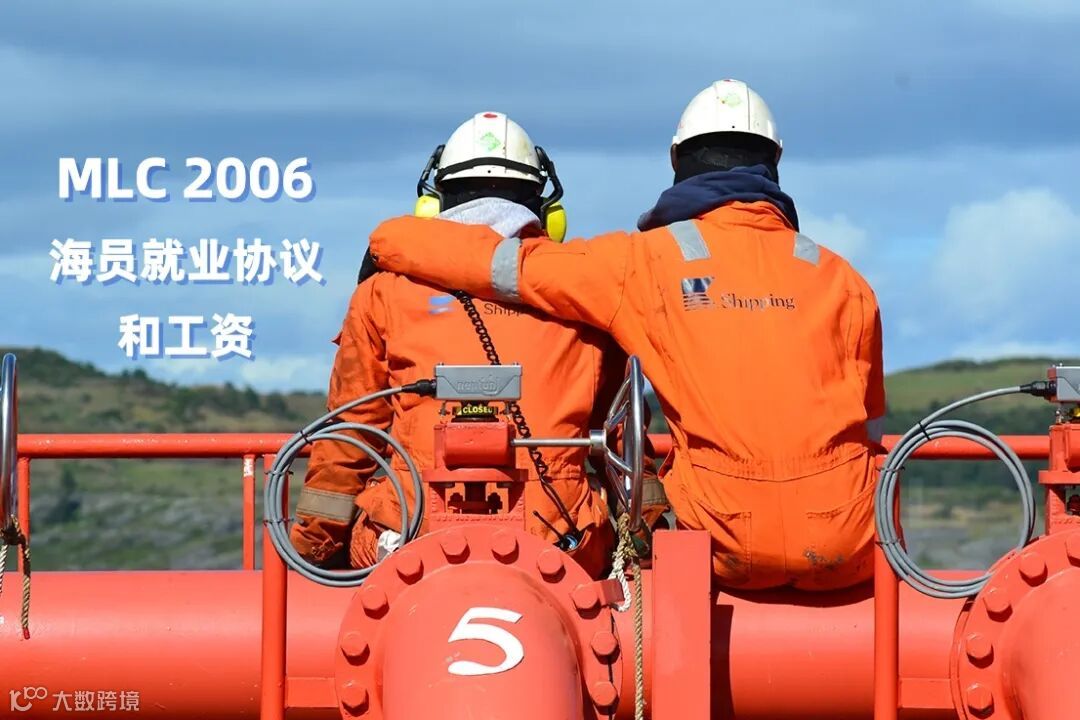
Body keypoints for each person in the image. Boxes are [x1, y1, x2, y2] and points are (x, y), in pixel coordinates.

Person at [366, 81, 887, 591]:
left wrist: (390, 240)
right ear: (775, 161)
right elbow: (870, 432)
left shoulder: (639, 265)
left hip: (720, 544)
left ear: (676, 160)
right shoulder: (846, 282)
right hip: (849, 546)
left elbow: (507, 266)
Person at [289, 111, 659, 578]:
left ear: (432, 203)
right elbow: (624, 442)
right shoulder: (584, 291)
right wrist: (647, 537)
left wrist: (314, 547)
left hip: (408, 544)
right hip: (562, 549)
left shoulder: (381, 292)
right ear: (549, 213)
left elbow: (353, 433)